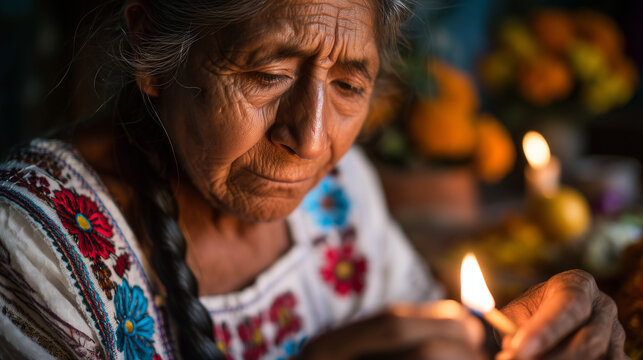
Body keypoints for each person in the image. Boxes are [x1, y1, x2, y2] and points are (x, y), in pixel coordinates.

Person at [0, 0, 627, 359]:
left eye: (349, 84)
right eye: (268, 74)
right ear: (150, 51)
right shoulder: (29, 247)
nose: (310, 139)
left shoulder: (339, 190)